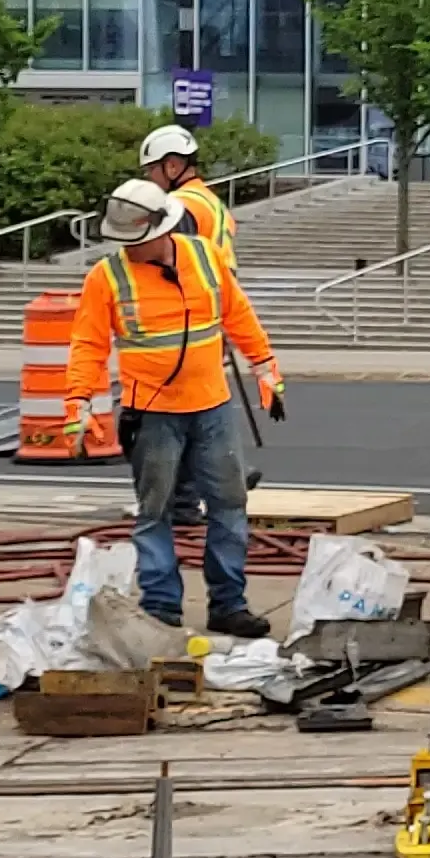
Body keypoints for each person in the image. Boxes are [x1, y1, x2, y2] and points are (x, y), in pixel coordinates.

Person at [66, 180, 286, 636]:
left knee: (229, 504)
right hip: (151, 413)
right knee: (156, 511)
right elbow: (87, 344)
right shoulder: (108, 277)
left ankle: (228, 605)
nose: (132, 249)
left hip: (212, 405)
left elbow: (237, 313)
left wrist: (265, 366)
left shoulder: (204, 256)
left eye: (138, 240)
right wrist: (79, 404)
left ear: (161, 229)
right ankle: (162, 609)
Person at [135, 122, 232, 249]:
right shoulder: (212, 202)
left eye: (151, 169)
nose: (148, 176)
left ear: (172, 167)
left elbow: (175, 260)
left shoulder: (176, 206)